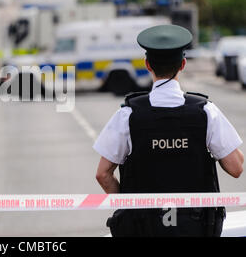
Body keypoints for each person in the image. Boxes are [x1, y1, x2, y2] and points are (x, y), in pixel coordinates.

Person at [94, 25, 244, 237]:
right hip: (197, 228)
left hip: (142, 228)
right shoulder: (206, 112)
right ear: (183, 64)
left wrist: (129, 206)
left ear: (147, 64)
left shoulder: (128, 114)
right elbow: (236, 167)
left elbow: (102, 174)